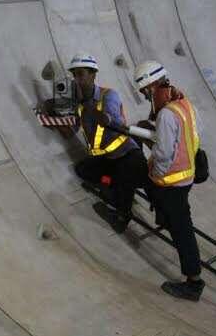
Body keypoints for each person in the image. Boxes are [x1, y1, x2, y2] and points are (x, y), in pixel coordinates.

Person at [132, 60, 205, 301]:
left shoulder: (165, 115)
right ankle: (164, 217)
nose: (145, 97)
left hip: (171, 183)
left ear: (152, 86)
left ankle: (193, 283)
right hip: (187, 178)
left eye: (145, 92)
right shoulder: (184, 104)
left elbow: (163, 154)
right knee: (180, 223)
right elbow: (188, 139)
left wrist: (154, 174)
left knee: (182, 231)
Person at [66, 53, 147, 233]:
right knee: (83, 170)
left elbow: (109, 121)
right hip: (107, 159)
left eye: (81, 74)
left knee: (123, 190)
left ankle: (122, 215)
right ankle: (111, 183)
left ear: (93, 75)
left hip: (126, 155)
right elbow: (71, 131)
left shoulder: (108, 96)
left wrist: (87, 104)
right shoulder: (79, 104)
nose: (77, 79)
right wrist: (55, 114)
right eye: (75, 75)